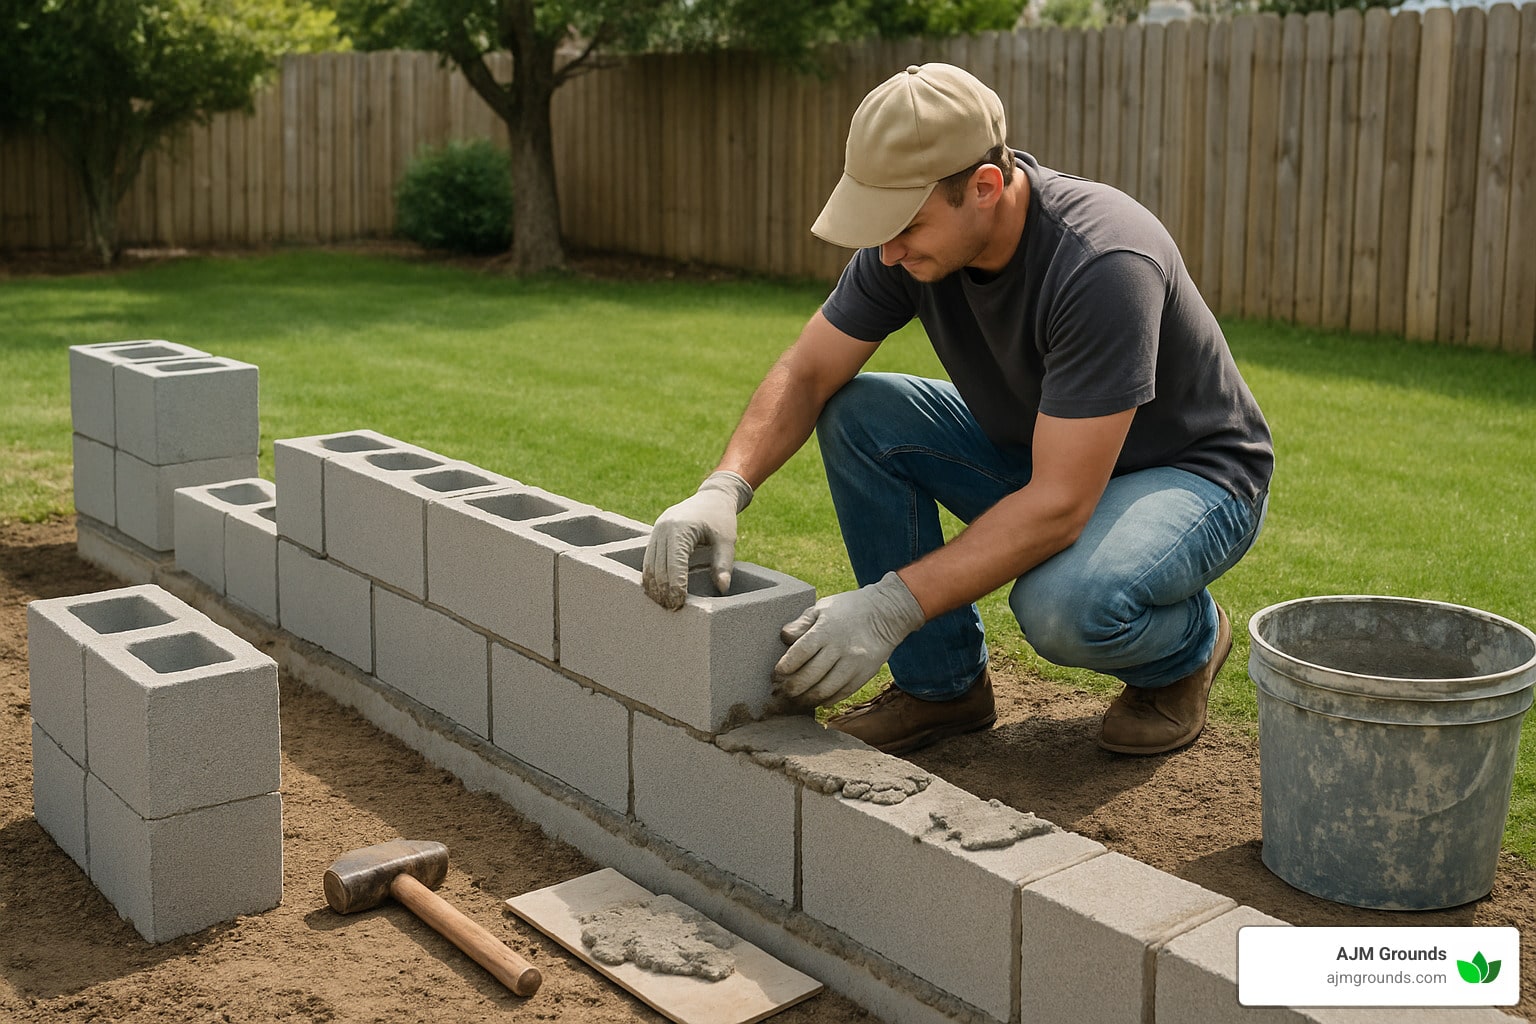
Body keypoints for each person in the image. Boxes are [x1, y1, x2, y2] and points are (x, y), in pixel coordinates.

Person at [640, 63, 1272, 757]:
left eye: (906, 225)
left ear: (985, 187)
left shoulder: (1103, 261)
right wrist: (723, 487)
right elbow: (810, 370)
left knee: (1063, 607)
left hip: (1192, 477)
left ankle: (1189, 647)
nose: (887, 250)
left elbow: (1060, 504)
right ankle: (941, 689)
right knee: (861, 414)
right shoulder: (905, 248)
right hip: (1048, 451)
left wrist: (890, 606)